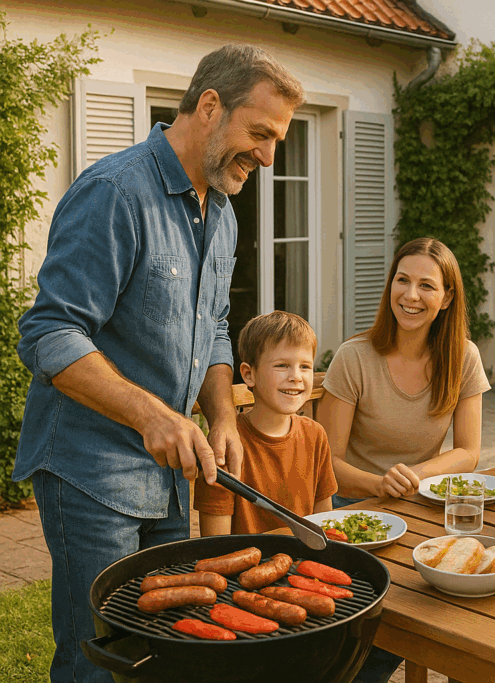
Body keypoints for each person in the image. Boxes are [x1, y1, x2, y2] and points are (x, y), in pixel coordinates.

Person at [14, 44, 304, 682]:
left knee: (167, 653)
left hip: (169, 474)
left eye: (277, 139)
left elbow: (214, 326)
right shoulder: (114, 193)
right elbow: (50, 331)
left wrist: (223, 415)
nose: (269, 156)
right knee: (99, 656)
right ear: (208, 107)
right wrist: (152, 414)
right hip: (90, 472)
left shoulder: (221, 211)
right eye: (260, 133)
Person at [318, 237, 490, 683]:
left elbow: (469, 451)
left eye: (426, 286)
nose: (411, 296)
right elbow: (327, 461)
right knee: (388, 611)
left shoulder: (463, 357)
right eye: (402, 281)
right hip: (352, 512)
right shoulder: (355, 357)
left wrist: (413, 476)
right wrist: (378, 484)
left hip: (418, 508)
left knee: (463, 594)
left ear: (447, 297)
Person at [193, 311, 337, 534]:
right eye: (282, 365)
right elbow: (214, 545)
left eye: (305, 367)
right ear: (249, 374)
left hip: (306, 564)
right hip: (245, 566)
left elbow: (325, 527)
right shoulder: (225, 445)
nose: (296, 376)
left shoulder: (315, 435)